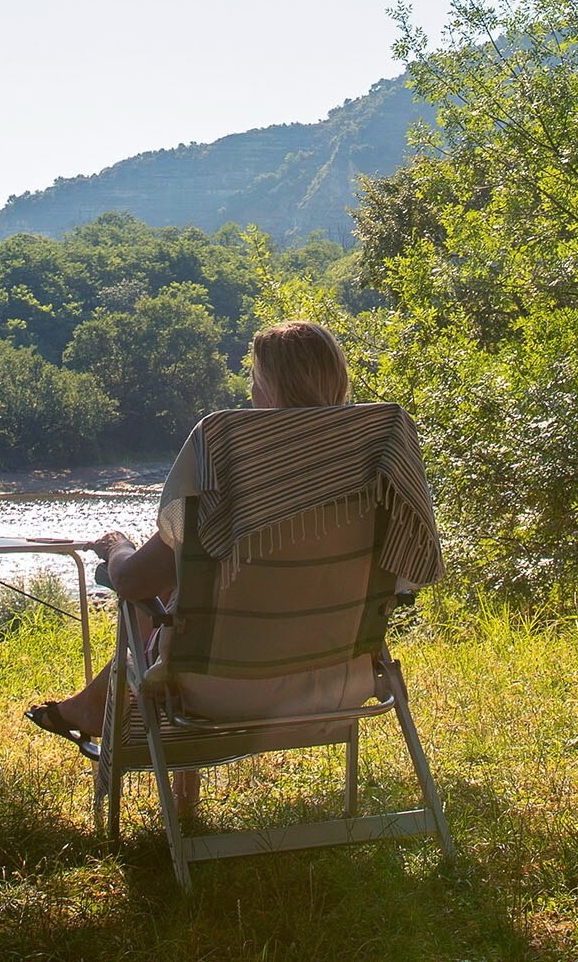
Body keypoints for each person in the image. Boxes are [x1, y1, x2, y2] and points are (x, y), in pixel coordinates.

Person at [25, 318, 356, 769]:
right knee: (184, 583)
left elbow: (133, 579)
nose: (251, 396)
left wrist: (117, 547)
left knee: (156, 587)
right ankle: (88, 706)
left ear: (272, 391)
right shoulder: (363, 466)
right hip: (340, 677)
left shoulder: (231, 461)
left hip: (222, 684)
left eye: (256, 383)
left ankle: (90, 709)